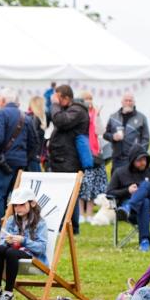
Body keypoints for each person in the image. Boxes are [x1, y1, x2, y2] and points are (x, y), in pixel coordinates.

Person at [0, 187, 48, 300]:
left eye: (22, 204)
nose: (18, 208)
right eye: (15, 205)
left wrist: (24, 241)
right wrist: (7, 241)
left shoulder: (40, 223)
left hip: (32, 256)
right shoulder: (11, 220)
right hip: (13, 254)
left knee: (11, 252)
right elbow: (1, 240)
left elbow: (42, 248)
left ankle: (9, 292)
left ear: (32, 203)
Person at [0, 88, 37, 234]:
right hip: (20, 163)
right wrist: (24, 159)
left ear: (3, 101)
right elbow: (34, 143)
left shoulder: (2, 114)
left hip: (3, 162)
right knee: (17, 198)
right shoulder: (26, 116)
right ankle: (15, 228)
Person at [105, 144, 150, 252]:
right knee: (144, 201)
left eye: (145, 159)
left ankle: (129, 207)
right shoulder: (120, 172)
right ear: (132, 160)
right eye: (139, 160)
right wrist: (127, 191)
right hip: (132, 212)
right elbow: (109, 192)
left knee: (147, 185)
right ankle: (144, 241)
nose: (143, 162)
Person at [49, 84, 90, 234]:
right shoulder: (70, 110)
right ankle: (68, 226)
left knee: (68, 194)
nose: (55, 101)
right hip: (62, 159)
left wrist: (54, 104)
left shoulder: (77, 110)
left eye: (58, 97)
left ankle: (71, 227)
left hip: (68, 160)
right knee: (65, 194)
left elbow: (60, 121)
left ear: (66, 98)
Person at [77, 91, 108, 223]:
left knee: (93, 186)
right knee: (82, 186)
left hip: (95, 154)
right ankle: (80, 213)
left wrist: (98, 115)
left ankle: (89, 213)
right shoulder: (78, 114)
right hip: (82, 154)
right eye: (86, 98)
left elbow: (101, 131)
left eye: (90, 98)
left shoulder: (95, 114)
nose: (89, 101)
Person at [103, 91, 150, 174]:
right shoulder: (113, 117)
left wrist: (140, 155)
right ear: (122, 102)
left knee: (134, 183)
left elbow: (146, 139)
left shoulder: (141, 118)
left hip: (133, 159)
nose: (128, 103)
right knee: (117, 184)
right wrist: (113, 137)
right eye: (126, 100)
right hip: (117, 158)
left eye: (130, 101)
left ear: (134, 102)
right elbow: (105, 134)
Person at [27, 95, 47, 172]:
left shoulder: (30, 117)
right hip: (33, 157)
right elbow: (34, 138)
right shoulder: (35, 118)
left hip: (33, 156)